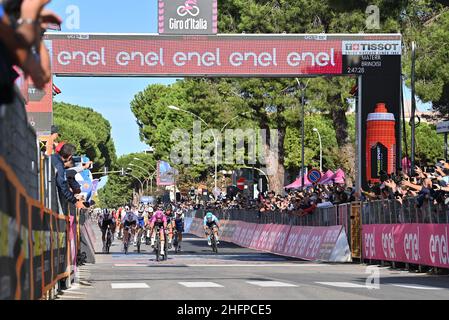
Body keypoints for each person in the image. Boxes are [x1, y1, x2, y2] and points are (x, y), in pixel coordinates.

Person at [51, 143, 86, 213]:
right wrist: (75, 201)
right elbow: (63, 186)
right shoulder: (60, 166)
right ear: (70, 157)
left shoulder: (52, 157)